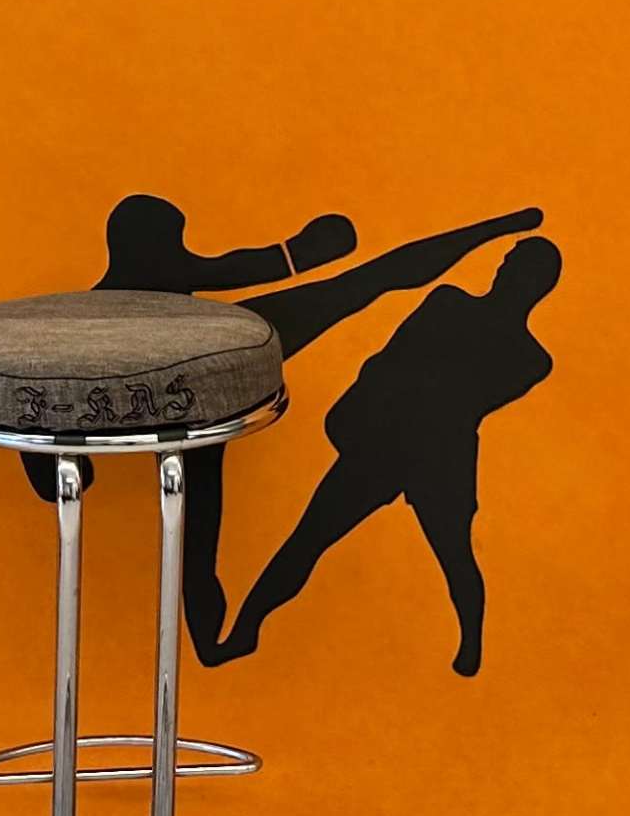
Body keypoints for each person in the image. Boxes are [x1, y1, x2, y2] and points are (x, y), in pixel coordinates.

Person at [82, 193, 543, 644]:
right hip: (216, 364)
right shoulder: (141, 294)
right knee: (211, 529)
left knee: (209, 529)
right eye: (172, 243)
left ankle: (218, 632)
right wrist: (308, 252)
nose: (178, 256)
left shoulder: (102, 309)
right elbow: (268, 267)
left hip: (218, 363)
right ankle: (218, 631)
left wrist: (306, 252)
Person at [209, 233, 564, 679]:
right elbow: (391, 363)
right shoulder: (466, 315)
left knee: (453, 558)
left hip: (431, 451)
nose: (506, 268)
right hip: (398, 442)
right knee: (310, 539)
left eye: (519, 264)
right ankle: (246, 630)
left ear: (537, 283)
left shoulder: (524, 354)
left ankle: (470, 642)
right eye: (510, 259)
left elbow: (406, 369)